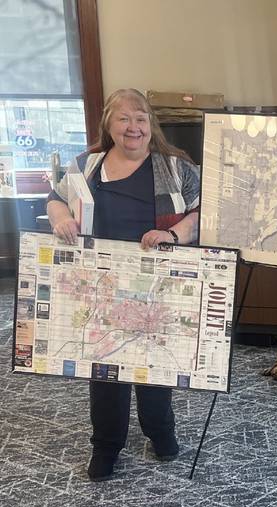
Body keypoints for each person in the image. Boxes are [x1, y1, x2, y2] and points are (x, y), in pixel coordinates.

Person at [47, 88, 200, 481]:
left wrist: (175, 235)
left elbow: (202, 210)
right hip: (100, 285)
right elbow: (55, 198)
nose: (133, 126)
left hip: (157, 285)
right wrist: (60, 218)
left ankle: (161, 433)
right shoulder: (88, 165)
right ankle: (106, 446)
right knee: (106, 369)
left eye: (141, 118)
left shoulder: (176, 166)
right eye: (124, 119)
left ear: (151, 125)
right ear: (109, 126)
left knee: (154, 365)